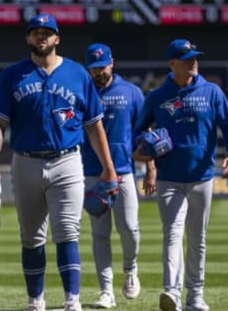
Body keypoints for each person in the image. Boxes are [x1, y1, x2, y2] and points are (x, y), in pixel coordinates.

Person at [0, 13, 118, 311]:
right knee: (31, 237)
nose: (41, 36)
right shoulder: (13, 74)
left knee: (68, 231)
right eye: (35, 32)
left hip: (67, 160)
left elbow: (94, 126)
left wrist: (108, 167)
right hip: (25, 161)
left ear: (57, 38)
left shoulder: (78, 73)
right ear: (28, 38)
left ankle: (72, 301)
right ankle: (36, 301)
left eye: (47, 32)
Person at [133, 39, 228, 311]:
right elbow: (137, 134)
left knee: (197, 238)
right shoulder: (157, 96)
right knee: (172, 235)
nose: (193, 61)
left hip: (202, 176)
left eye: (195, 57)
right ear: (172, 63)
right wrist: (145, 152)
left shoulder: (212, 91)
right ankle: (172, 293)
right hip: (169, 178)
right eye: (187, 58)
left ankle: (195, 296)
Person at [82, 43, 156, 308]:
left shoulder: (132, 92)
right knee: (99, 233)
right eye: (94, 68)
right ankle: (106, 291)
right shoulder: (82, 91)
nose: (99, 72)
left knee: (130, 228)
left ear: (112, 62)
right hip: (91, 172)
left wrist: (150, 168)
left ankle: (130, 269)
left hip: (124, 171)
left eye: (102, 66)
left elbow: (144, 134)